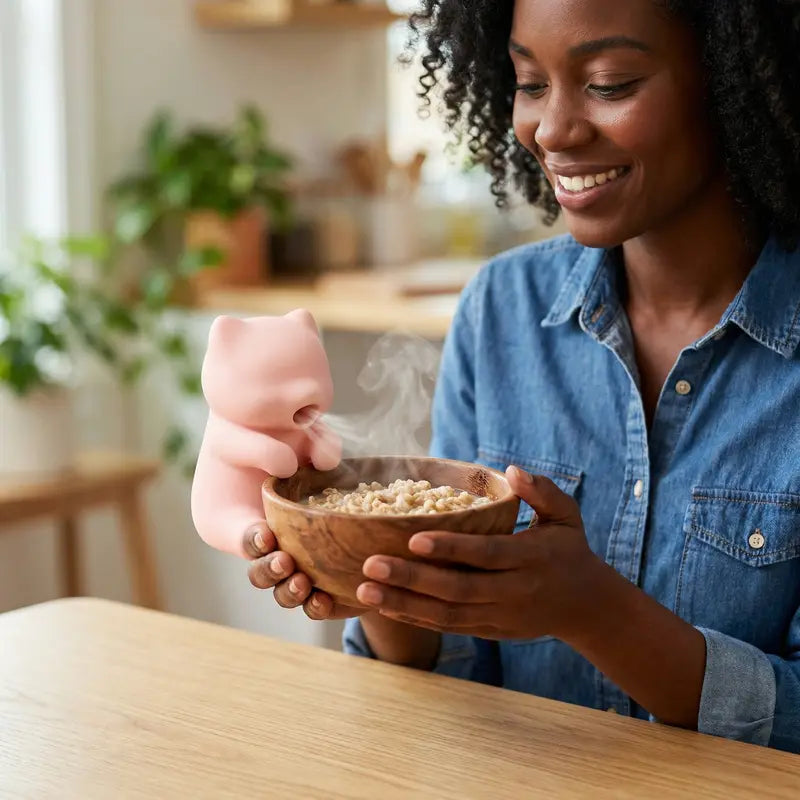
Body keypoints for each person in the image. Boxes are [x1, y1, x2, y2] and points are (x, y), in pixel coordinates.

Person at [243, 0, 800, 753]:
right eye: (530, 83)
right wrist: (363, 566)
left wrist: (596, 613)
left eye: (609, 83)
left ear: (733, 80)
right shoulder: (501, 310)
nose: (553, 129)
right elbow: (455, 668)